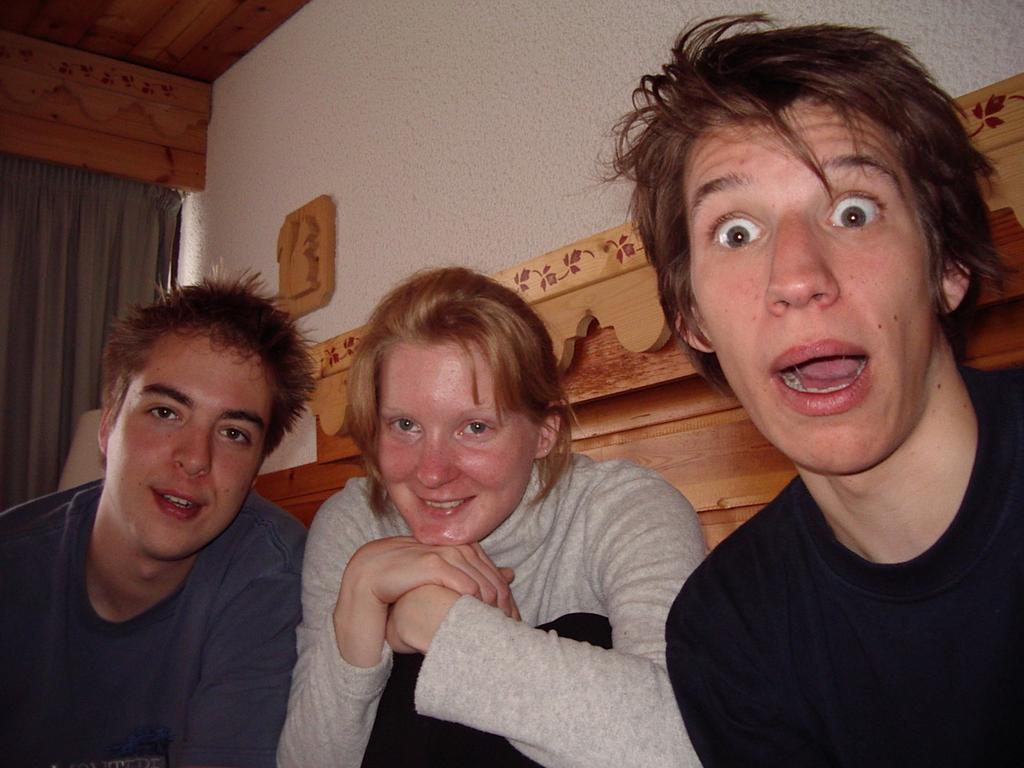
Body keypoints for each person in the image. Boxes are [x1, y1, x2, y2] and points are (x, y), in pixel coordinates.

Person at [613, 13, 1022, 767]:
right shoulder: (725, 633)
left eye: (853, 211)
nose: (798, 276)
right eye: (736, 233)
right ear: (692, 317)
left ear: (948, 266)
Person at [278, 266, 705, 767]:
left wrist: (441, 627)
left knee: (585, 631)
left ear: (544, 432)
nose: (431, 473)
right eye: (405, 425)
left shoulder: (625, 513)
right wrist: (358, 615)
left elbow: (690, 747)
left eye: (475, 427)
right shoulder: (355, 525)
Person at [0, 275, 316, 767]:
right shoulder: (12, 567)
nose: (195, 458)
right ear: (107, 429)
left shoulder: (268, 576)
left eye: (233, 433)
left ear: (257, 470)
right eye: (165, 412)